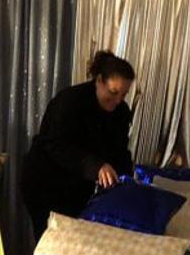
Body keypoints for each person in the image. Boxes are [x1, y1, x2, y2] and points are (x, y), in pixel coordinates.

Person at [22, 50, 136, 242]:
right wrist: (96, 166)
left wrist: (129, 179)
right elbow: (56, 145)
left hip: (79, 188)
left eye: (123, 94)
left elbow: (119, 151)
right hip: (44, 182)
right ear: (99, 81)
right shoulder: (69, 101)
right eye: (113, 92)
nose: (118, 101)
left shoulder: (121, 112)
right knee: (51, 245)